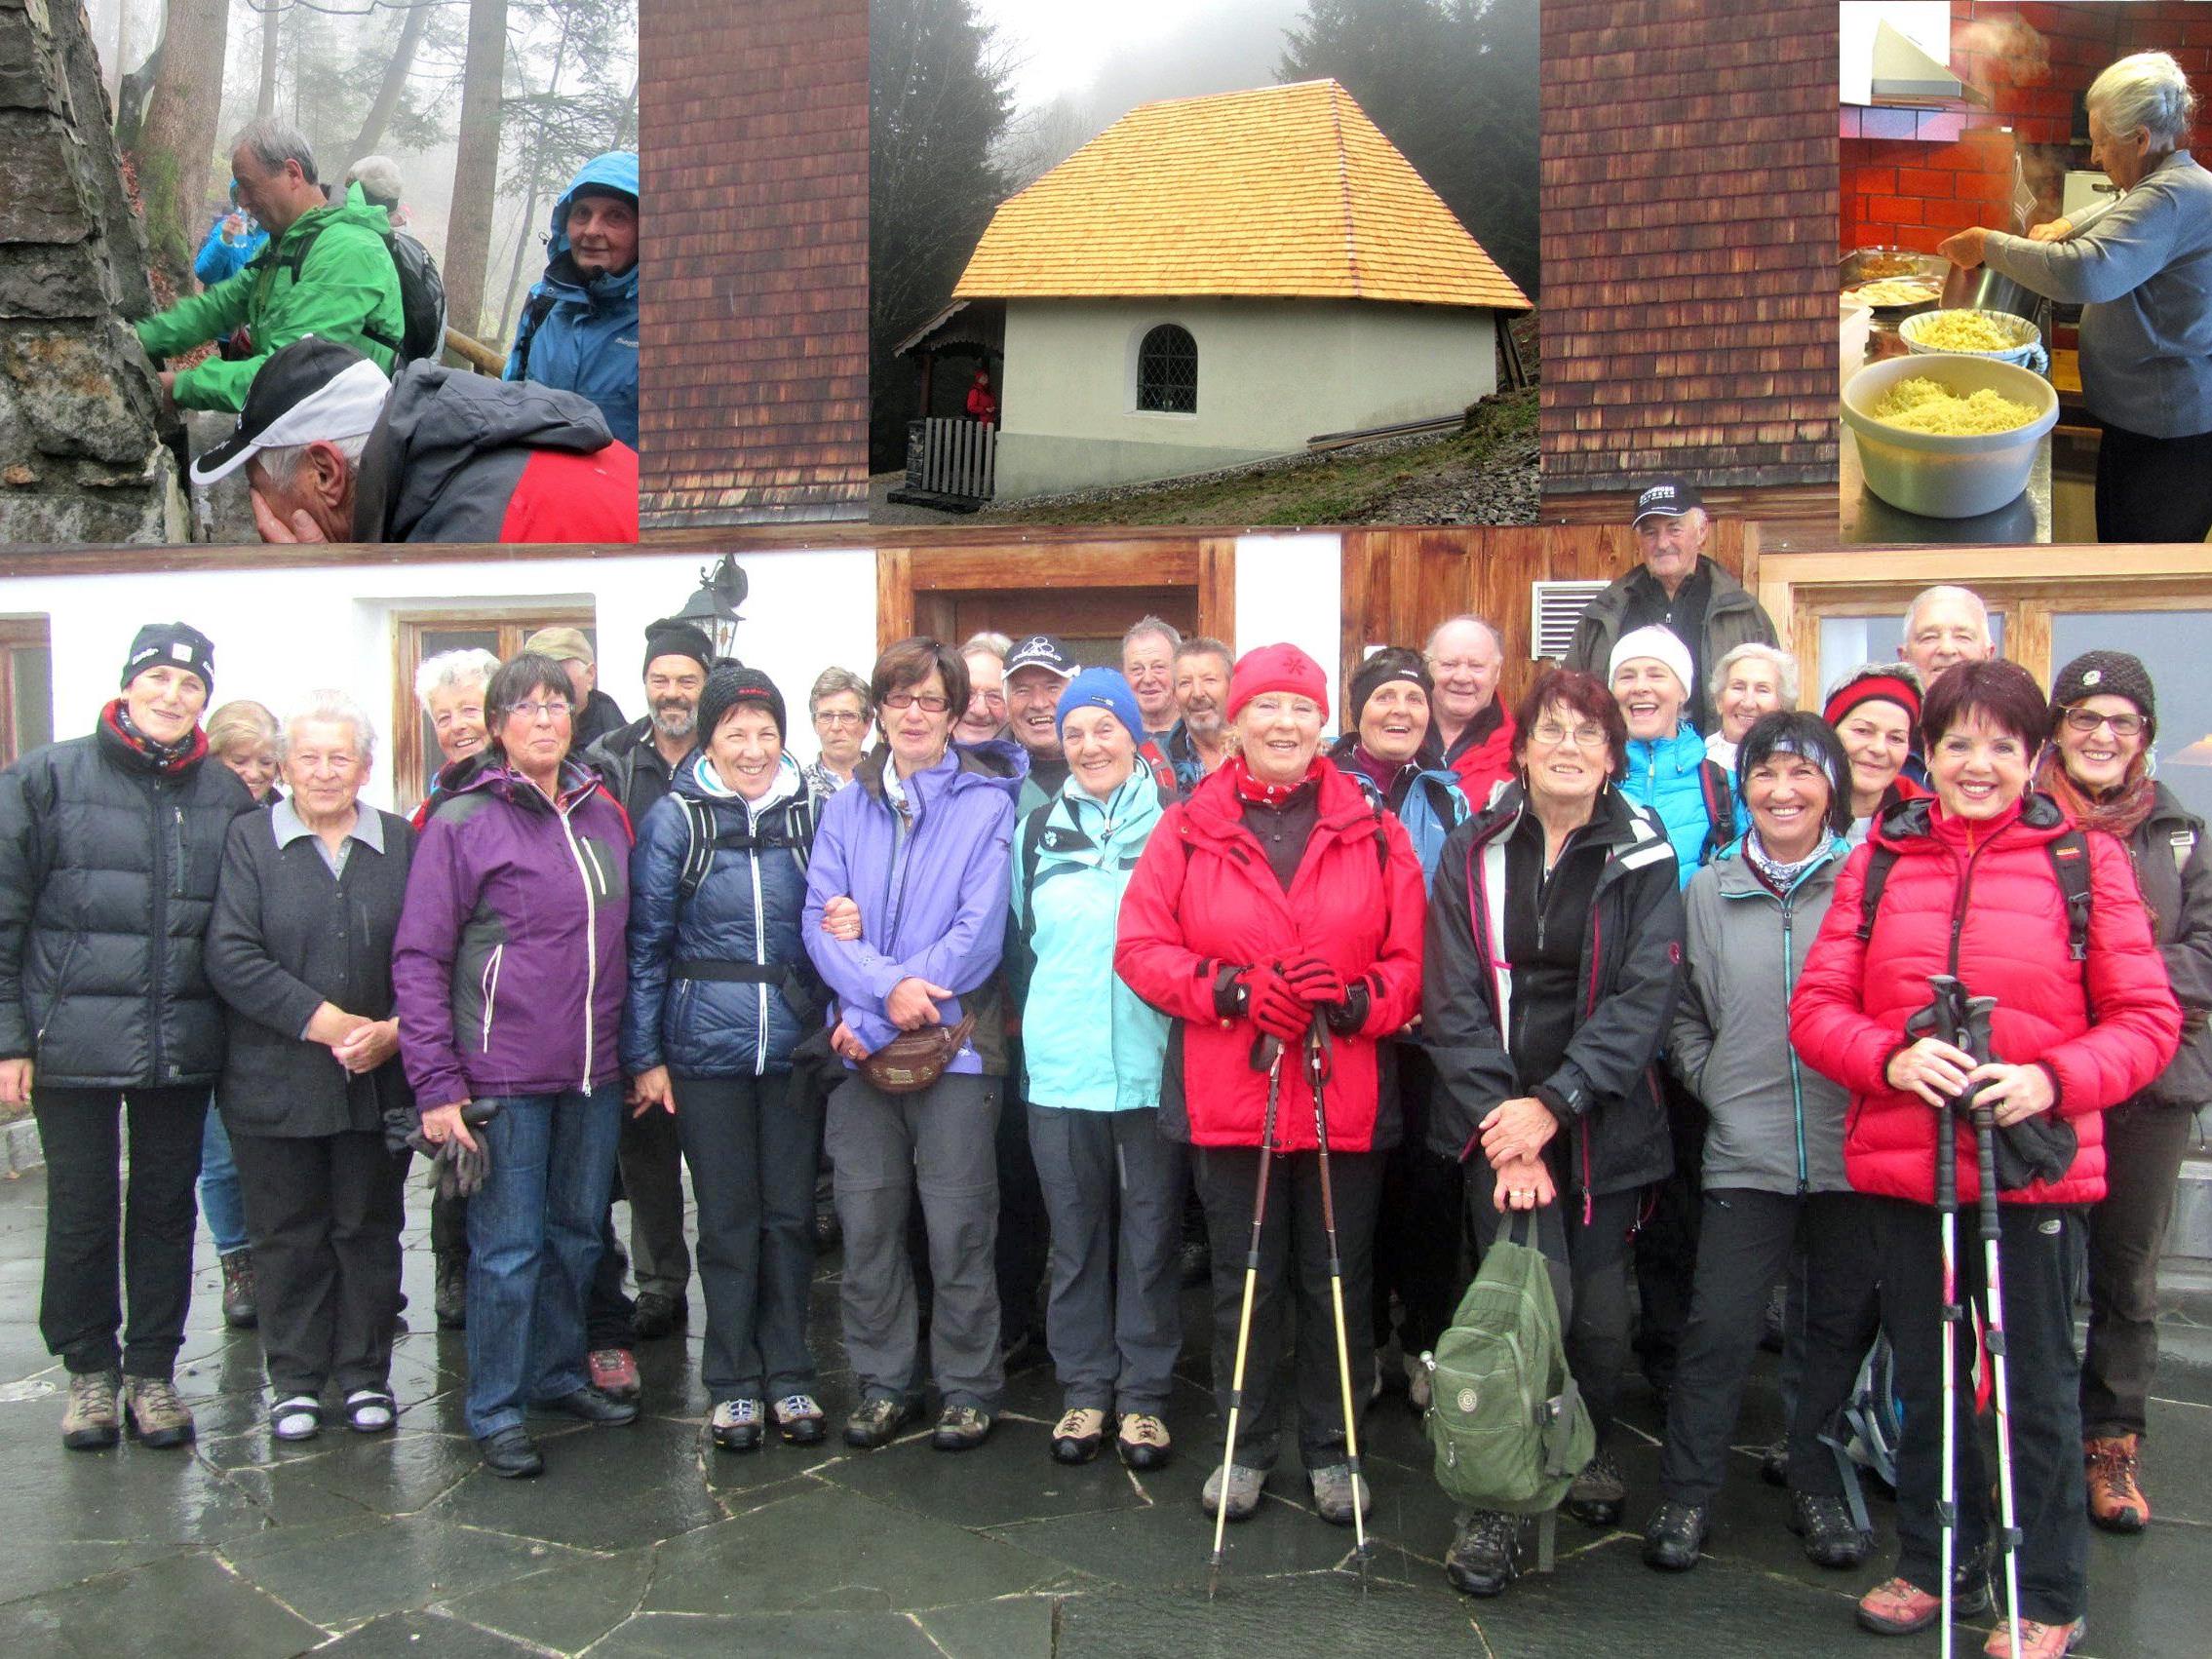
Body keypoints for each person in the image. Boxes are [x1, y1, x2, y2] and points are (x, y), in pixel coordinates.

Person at [1792, 659, 2181, 1657]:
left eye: (2001, 745)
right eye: (1956, 742)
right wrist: (1890, 1054)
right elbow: (1817, 1011)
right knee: (1925, 1378)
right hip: (1910, 1169)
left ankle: (2047, 1588)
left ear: (2033, 757)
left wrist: (2052, 1077)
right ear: (1927, 753)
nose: (1977, 763)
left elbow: (2147, 1020)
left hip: (2030, 1173)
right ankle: (1933, 1561)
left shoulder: (2082, 863)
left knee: (2033, 1390)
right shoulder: (1879, 857)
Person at [1116, 643, 1425, 1528]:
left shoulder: (1373, 828)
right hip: (1232, 1088)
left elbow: (1412, 961)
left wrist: (1362, 1000)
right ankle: (1242, 1447)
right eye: (1267, 709)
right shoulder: (1186, 827)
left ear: (1321, 724)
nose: (1284, 725)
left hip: (1343, 1084)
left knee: (1336, 1275)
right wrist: (1232, 990)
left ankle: (1335, 1450)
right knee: (1243, 1275)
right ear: (1238, 723)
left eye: (1300, 709)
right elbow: (1140, 950)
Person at [1421, 666, 1684, 1597]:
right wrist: (1509, 1126)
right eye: (1551, 730)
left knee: (1599, 1323)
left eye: (1588, 733)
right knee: (1508, 1318)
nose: (1567, 747)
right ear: (1521, 747)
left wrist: (1557, 1105)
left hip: (1601, 1123)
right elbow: (1448, 994)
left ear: (1613, 756)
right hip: (1493, 1124)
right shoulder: (1470, 847)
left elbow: (1644, 998)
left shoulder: (1646, 853)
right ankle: (1493, 1503)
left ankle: (1581, 1445)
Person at [0, 623, 255, 1452]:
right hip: (68, 1036)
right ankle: (88, 1373)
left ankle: (151, 1369)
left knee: (163, 1209)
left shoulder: (225, 795)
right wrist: (10, 1039)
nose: (173, 696)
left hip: (181, 1040)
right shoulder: (45, 778)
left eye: (190, 686)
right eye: (159, 680)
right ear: (128, 684)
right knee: (78, 1211)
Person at [1642, 712, 1881, 1574]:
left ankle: (1817, 1484)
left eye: (1802, 774)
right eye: (1764, 774)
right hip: (1745, 1148)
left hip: (1851, 1148)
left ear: (1832, 788)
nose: (1782, 791)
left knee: (1830, 1330)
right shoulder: (1706, 890)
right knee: (1718, 1329)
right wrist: (1716, 1090)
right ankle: (1686, 1494)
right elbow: (1682, 1016)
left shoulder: (1870, 882)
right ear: (1741, 789)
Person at [392, 652, 638, 1479]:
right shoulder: (463, 821)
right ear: (497, 726)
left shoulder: (602, 813)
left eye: (556, 705)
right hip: (502, 1076)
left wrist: (633, 1059)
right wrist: (436, 1086)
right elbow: (420, 959)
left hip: (591, 1073)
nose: (543, 719)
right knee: (506, 1250)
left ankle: (557, 1373)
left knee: (577, 1238)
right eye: (524, 707)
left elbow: (626, 944)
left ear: (575, 718)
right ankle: (494, 1405)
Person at [801, 638, 1023, 1451]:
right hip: (860, 1057)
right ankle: (885, 1380)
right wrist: (871, 1001)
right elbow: (818, 919)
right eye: (900, 699)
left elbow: (978, 936)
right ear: (879, 710)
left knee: (959, 1226)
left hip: (956, 1052)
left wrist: (884, 1002)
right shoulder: (843, 808)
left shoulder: (989, 804)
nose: (915, 715)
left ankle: (967, 1385)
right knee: (867, 1224)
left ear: (953, 711)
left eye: (932, 701)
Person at [625, 666, 829, 1452]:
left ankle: (791, 1372)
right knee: (727, 1220)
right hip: (703, 1049)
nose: (753, 749)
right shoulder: (679, 818)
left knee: (788, 1217)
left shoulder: (814, 809)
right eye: (735, 734)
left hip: (790, 1046)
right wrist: (644, 1054)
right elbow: (646, 945)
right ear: (709, 739)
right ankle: (733, 1381)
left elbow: (839, 913)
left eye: (766, 733)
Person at [2034, 651, 2212, 1534]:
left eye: (2122, 722)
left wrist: (2107, 976)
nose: (2102, 736)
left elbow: (2206, 957)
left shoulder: (2182, 835)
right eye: (2084, 717)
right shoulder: (2024, 822)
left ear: (2144, 737)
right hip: (2048, 1081)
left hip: (2150, 1085)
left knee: (2125, 1278)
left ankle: (2111, 1445)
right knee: (2035, 1269)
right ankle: (2028, 1437)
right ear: (2057, 728)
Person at [204, 693, 414, 1442]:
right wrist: (329, 1024)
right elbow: (230, 953)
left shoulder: (399, 842)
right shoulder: (248, 841)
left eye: (340, 757)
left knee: (367, 1226)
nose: (324, 772)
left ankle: (363, 1374)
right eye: (309, 758)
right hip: (274, 1074)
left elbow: (425, 954)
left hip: (377, 1075)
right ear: (285, 767)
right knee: (286, 1232)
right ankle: (293, 1379)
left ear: (364, 767)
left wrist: (393, 1030)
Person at [1007, 669, 1179, 1469]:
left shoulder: (1177, 825)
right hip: (1061, 1066)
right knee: (1074, 1237)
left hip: (1151, 1064)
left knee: (1148, 1235)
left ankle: (1142, 1396)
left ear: (1132, 733)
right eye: (1074, 733)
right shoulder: (1037, 827)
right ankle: (1083, 1390)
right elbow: (1021, 936)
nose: (1087, 746)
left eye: (1102, 729)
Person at [1939, 52, 2212, 543]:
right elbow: (2120, 204)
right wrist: (2066, 223)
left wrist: (1987, 245)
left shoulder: (2174, 196)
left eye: (2103, 143)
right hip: (2145, 419)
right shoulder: (2168, 182)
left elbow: (2088, 271)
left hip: (2170, 431)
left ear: (2140, 139)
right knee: (2118, 543)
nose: (2095, 157)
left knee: (2137, 572)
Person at [1327, 647, 1469, 1410]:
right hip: (1350, 1023)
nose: (1400, 711)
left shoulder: (1449, 800)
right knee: (1358, 1197)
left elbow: (1467, 911)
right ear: (1357, 710)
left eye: (1412, 699)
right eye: (1384, 697)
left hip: (1426, 1031)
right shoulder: (1326, 791)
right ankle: (1354, 1347)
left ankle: (1422, 1340)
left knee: (1428, 1195)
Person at [579, 622, 720, 1366]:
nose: (671, 693)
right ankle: (661, 1280)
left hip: (713, 971)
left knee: (718, 1139)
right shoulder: (605, 763)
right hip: (631, 970)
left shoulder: (732, 755)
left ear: (706, 682)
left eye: (686, 680)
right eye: (660, 679)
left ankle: (733, 1277)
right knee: (645, 1141)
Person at [191, 337, 640, 545]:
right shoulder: (465, 451)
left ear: (326, 473)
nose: (264, 523)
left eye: (265, 499)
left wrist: (325, 586)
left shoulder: (477, 542)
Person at [136, 121, 403, 413]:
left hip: (342, 428)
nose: (244, 203)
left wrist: (178, 387)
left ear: (292, 173)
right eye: (238, 191)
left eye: (248, 186)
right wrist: (140, 340)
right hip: (305, 418)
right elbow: (220, 306)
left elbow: (291, 373)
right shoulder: (284, 241)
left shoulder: (348, 249)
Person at [406, 647, 500, 1327]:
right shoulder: (432, 808)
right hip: (457, 1017)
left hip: (516, 1020)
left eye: (471, 709)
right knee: (455, 1163)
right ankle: (454, 1274)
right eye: (445, 716)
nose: (460, 725)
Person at [1564, 478, 1778, 733]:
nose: (1662, 543)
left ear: (1702, 532)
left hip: (1715, 769)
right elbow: (1568, 702)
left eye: (1674, 529)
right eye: (1651, 532)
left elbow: (1776, 706)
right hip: (1621, 768)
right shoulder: (1601, 616)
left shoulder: (1746, 616)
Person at [200, 698, 284, 1330]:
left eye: (263, 761)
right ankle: (238, 1262)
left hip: (267, 1007)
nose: (253, 773)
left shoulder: (285, 819)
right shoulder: (198, 815)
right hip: (201, 1008)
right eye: (239, 760)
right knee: (220, 1154)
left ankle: (283, 1260)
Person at [506, 152, 640, 448]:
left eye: (616, 216)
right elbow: (510, 401)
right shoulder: (544, 303)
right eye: (581, 213)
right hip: (535, 486)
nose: (592, 230)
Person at [1610, 626, 1727, 888]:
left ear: (1683, 692)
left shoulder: (1722, 786)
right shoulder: (1593, 781)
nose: (1640, 687)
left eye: (1656, 675)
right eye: (1626, 676)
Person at [1823, 663, 1926, 843]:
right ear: (1828, 733)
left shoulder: (1929, 824)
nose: (1879, 749)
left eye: (1896, 738)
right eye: (1862, 731)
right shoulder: (1788, 810)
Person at [1424, 614, 1517, 810]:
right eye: (1449, 664)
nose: (1462, 677)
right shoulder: (1396, 744)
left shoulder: (1521, 754)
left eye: (1476, 666)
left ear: (1497, 672)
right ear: (1427, 667)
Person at [413, 648, 500, 829]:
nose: (456, 725)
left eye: (469, 710)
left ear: (499, 716)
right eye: (443, 718)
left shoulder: (525, 791)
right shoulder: (436, 803)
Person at [525, 626, 628, 752]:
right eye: (533, 672)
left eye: (556, 670)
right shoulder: (515, 730)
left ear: (590, 674)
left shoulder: (621, 747)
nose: (544, 681)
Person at [1704, 642, 1798, 774]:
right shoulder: (1696, 762)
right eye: (1738, 687)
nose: (1748, 703)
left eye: (1762, 690)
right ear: (1719, 701)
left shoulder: (1799, 764)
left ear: (1782, 703)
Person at [1165, 636, 1234, 793]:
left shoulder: (1257, 754)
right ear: (1174, 696)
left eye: (1209, 680)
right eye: (1185, 683)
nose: (1197, 693)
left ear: (1232, 686)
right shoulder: (1158, 766)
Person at [1899, 585, 1997, 687]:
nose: (1947, 649)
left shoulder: (2009, 703)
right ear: (1905, 658)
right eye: (1929, 637)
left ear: (1988, 655)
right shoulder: (1884, 702)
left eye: (1962, 637)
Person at [804, 668, 872, 794]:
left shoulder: (888, 785)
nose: (836, 726)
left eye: (847, 716)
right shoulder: (799, 791)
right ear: (815, 724)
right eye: (826, 716)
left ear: (867, 724)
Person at [1121, 618, 1182, 746]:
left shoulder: (1198, 734)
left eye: (1158, 667)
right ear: (1124, 676)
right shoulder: (1116, 736)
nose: (1148, 679)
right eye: (1137, 670)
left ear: (1179, 671)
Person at [952, 633, 1011, 746]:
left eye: (994, 697)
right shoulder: (918, 759)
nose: (980, 710)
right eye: (968, 693)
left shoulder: (1028, 762)